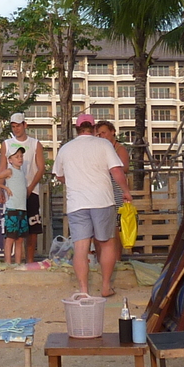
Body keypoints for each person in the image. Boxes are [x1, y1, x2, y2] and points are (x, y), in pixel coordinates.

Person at [53, 112, 131, 297]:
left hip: (77, 203)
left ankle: (83, 289)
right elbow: (117, 171)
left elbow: (59, 175)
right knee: (106, 244)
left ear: (77, 128)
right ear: (94, 128)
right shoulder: (103, 144)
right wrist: (126, 191)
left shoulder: (66, 148)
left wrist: (73, 181)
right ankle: (105, 286)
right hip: (102, 200)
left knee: (80, 247)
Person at [6, 113, 44, 262]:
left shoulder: (35, 144)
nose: (16, 129)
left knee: (32, 229)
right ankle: (12, 261)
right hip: (14, 195)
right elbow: (2, 168)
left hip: (31, 191)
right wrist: (0, 190)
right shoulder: (7, 143)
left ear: (24, 125)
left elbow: (41, 168)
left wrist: (30, 187)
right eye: (13, 126)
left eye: (18, 126)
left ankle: (29, 260)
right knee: (14, 231)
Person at [94, 120, 133, 262]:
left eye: (104, 133)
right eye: (98, 134)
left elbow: (124, 167)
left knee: (116, 227)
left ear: (112, 132)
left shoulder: (119, 149)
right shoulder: (99, 149)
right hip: (101, 190)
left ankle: (117, 260)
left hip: (116, 191)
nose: (101, 136)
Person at [0, 139, 31, 264]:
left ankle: (18, 263)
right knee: (10, 238)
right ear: (10, 160)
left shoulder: (21, 173)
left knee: (20, 239)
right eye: (17, 156)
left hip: (22, 209)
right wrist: (5, 188)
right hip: (12, 208)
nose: (20, 158)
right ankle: (8, 263)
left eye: (21, 156)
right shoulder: (9, 171)